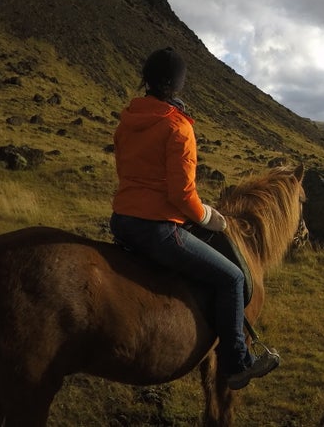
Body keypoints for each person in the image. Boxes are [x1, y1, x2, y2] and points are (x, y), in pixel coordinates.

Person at [110, 47, 280, 390]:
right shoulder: (177, 127)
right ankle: (236, 362)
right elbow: (181, 195)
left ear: (147, 80)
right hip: (158, 229)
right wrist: (207, 217)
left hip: (123, 220)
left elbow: (129, 174)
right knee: (231, 277)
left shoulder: (128, 121)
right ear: (178, 86)